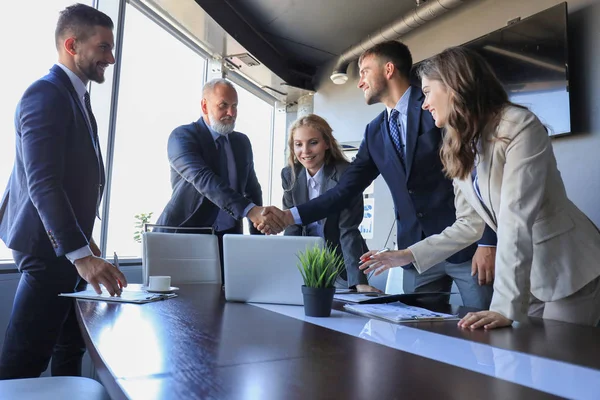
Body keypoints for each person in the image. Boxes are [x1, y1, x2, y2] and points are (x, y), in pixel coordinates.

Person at [360, 46, 600, 329]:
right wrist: (408, 254)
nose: (424, 104)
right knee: (526, 363)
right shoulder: (460, 143)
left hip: (569, 270)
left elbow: (516, 217)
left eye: (426, 92)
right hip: (528, 276)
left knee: (562, 364)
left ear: (453, 86)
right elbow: (468, 224)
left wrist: (502, 307)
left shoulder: (518, 126)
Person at [260, 41, 495, 308]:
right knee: (419, 336)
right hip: (415, 254)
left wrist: (488, 242)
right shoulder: (374, 132)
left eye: (364, 71)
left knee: (482, 332)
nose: (360, 82)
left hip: (468, 247)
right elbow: (344, 190)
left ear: (389, 69)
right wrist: (290, 215)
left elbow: (477, 173)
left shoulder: (435, 106)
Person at [0, 4, 127, 379]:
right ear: (72, 45)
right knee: (22, 363)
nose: (112, 57)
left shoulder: (72, 95)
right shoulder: (45, 95)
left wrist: (83, 244)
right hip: (46, 250)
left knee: (68, 349)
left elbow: (68, 179)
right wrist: (80, 255)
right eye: (103, 48)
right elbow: (43, 182)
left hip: (64, 248)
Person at [155, 78, 275, 281]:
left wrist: (258, 241)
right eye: (224, 106)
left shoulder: (242, 142)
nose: (231, 113)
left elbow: (252, 190)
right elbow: (204, 179)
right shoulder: (182, 137)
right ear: (204, 105)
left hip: (229, 239)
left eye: (235, 106)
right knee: (184, 307)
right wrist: (249, 210)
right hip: (186, 237)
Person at [282, 114, 374, 291]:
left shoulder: (345, 174)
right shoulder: (289, 175)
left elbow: (348, 230)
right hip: (307, 262)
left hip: (341, 262)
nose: (305, 151)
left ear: (326, 143)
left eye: (313, 142)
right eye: (298, 144)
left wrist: (358, 282)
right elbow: (292, 228)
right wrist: (286, 271)